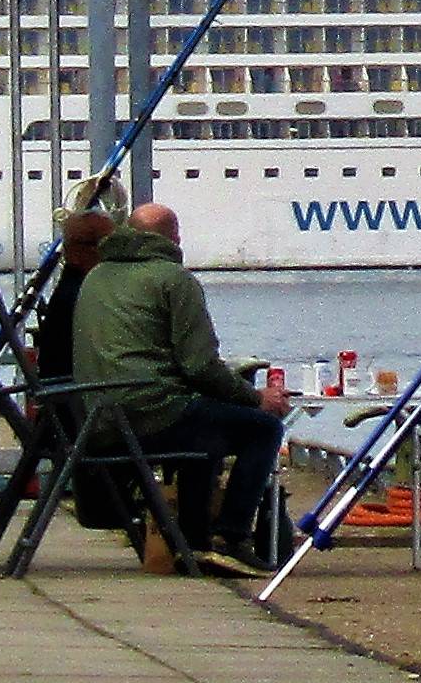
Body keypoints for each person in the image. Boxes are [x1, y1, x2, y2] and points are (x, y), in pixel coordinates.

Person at [67, 199, 281, 559]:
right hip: (148, 414)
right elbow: (200, 367)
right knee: (262, 429)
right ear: (174, 239)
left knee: (206, 426)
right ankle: (232, 536)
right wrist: (257, 398)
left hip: (99, 418)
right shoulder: (175, 280)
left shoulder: (95, 277)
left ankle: (195, 541)